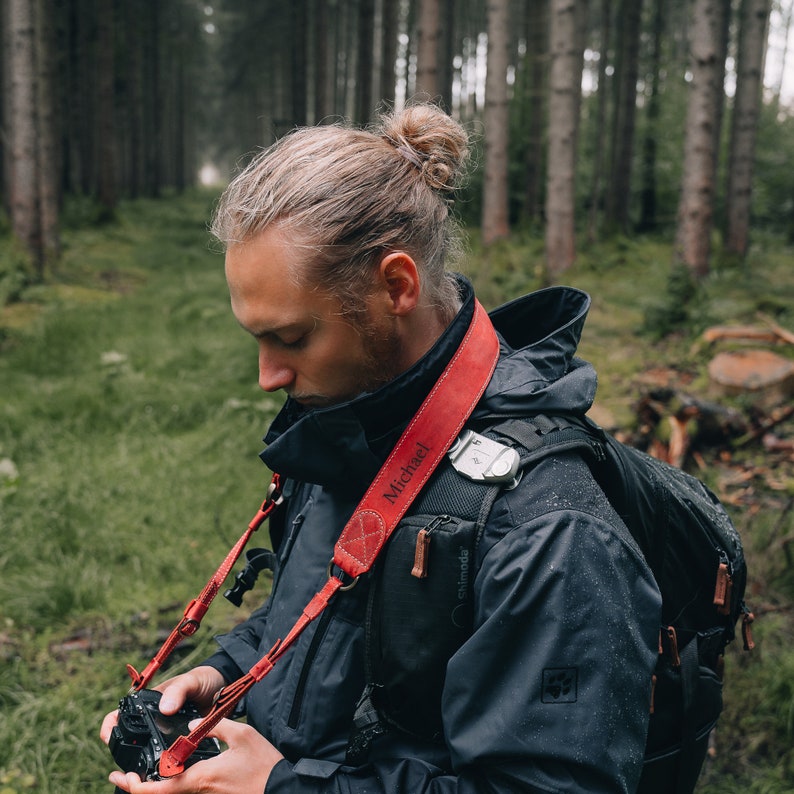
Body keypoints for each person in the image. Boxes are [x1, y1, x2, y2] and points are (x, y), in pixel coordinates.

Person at [102, 103, 661, 794]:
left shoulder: (550, 528)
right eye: (257, 339)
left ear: (396, 286)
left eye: (292, 338)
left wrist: (282, 790)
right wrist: (221, 674)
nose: (267, 377)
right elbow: (324, 619)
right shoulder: (355, 416)